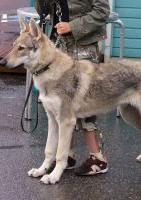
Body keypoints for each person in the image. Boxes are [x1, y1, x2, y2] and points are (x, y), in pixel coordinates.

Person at [34, 0, 110, 175]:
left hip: (83, 46)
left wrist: (72, 26)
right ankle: (67, 156)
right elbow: (43, 11)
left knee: (83, 101)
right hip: (60, 44)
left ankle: (97, 157)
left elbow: (102, 11)